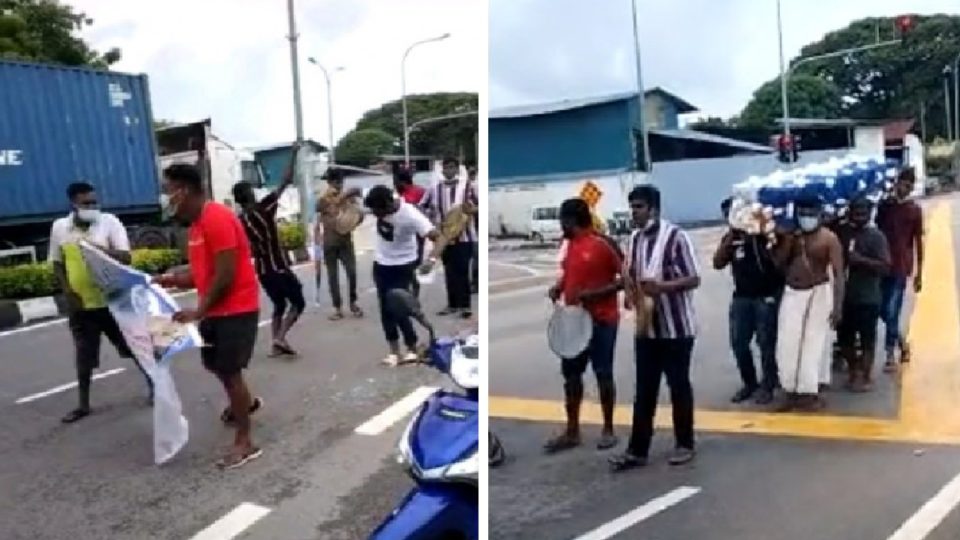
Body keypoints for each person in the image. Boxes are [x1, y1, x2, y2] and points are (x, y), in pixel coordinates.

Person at [155, 163, 263, 469]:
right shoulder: (197, 226)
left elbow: (226, 273)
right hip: (216, 310)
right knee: (214, 364)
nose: (166, 198)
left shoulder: (216, 217)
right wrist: (172, 279)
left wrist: (197, 311)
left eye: (168, 191)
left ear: (183, 190)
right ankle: (247, 404)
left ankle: (245, 441)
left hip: (236, 308)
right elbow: (203, 273)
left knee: (230, 371)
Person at [610, 185, 701, 471]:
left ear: (654, 209)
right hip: (646, 327)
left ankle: (684, 443)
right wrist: (630, 291)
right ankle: (637, 450)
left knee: (678, 387)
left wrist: (662, 288)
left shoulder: (675, 237)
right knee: (645, 390)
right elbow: (630, 274)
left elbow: (693, 278)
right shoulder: (634, 239)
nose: (634, 213)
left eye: (639, 207)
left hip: (675, 329)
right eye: (632, 207)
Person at [49, 182, 153, 423]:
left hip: (113, 301)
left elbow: (126, 257)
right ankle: (83, 404)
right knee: (84, 355)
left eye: (94, 202)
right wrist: (68, 292)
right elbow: (57, 262)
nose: (92, 207)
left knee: (132, 347)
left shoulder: (109, 223)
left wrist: (100, 250)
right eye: (86, 203)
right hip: (82, 306)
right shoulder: (60, 228)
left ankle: (153, 383)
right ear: (73, 204)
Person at [544, 198, 622, 454]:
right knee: (571, 376)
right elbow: (570, 274)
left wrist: (597, 293)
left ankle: (609, 428)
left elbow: (626, 278)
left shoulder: (603, 244)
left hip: (602, 320)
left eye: (562, 221)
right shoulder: (569, 245)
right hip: (573, 321)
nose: (560, 226)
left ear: (571, 220)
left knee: (603, 374)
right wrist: (559, 286)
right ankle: (572, 430)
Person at [771, 193, 844, 412]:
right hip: (793, 293)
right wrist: (786, 240)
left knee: (813, 344)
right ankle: (789, 390)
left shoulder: (829, 239)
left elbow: (839, 274)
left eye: (811, 214)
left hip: (818, 294)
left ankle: (809, 392)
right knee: (787, 343)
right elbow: (779, 263)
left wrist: (838, 307)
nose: (807, 218)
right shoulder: (793, 236)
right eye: (802, 214)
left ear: (820, 215)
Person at [232, 145, 305, 357]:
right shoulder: (264, 209)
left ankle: (275, 346)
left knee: (279, 305)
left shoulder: (240, 221)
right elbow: (285, 180)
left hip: (263, 271)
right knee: (298, 303)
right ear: (251, 194)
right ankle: (279, 338)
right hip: (278, 267)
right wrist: (293, 154)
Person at [713, 197, 784, 405]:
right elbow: (717, 263)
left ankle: (768, 384)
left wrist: (760, 236)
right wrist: (732, 239)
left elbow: (777, 263)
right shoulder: (732, 239)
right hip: (742, 297)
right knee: (738, 343)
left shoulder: (763, 234)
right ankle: (749, 382)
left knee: (766, 343)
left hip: (765, 295)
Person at [363, 185, 443, 366]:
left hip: (403, 265)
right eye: (375, 212)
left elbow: (439, 237)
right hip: (382, 264)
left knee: (399, 308)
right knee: (385, 310)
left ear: (390, 203)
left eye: (380, 211)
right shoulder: (379, 200)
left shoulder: (411, 215)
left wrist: (430, 261)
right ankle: (394, 351)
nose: (378, 216)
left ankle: (412, 347)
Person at [835, 197, 890, 392]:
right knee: (845, 339)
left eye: (863, 213)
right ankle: (853, 371)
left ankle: (866, 376)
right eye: (855, 213)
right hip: (845, 298)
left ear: (869, 214)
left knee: (867, 339)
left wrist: (861, 261)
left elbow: (885, 266)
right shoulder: (843, 233)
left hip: (868, 298)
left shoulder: (877, 237)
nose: (859, 217)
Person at [875, 167, 924, 373]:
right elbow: (875, 228)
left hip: (901, 267)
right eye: (903, 183)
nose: (906, 188)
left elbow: (918, 241)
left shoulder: (914, 210)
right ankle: (902, 342)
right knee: (881, 309)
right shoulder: (885, 206)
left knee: (892, 309)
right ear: (896, 183)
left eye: (910, 185)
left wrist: (919, 272)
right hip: (882, 265)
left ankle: (889, 354)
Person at [420, 157, 477, 319]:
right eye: (447, 167)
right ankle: (452, 304)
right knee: (449, 272)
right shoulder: (434, 189)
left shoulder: (466, 187)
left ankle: (465, 306)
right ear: (442, 170)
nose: (449, 170)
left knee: (462, 272)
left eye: (452, 167)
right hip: (443, 237)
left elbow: (478, 206)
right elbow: (421, 207)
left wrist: (470, 210)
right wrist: (431, 224)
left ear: (457, 170)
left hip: (464, 237)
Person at [317, 167, 364, 320]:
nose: (339, 185)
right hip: (330, 241)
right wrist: (346, 195)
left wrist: (357, 216)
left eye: (340, 182)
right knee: (333, 276)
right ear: (330, 182)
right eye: (336, 182)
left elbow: (357, 213)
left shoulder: (348, 197)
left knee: (352, 272)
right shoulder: (324, 197)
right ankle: (337, 308)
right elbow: (325, 206)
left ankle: (353, 302)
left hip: (345, 239)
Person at [394, 168, 427, 298]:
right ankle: (408, 292)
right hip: (403, 235)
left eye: (396, 181)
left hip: (416, 234)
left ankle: (414, 293)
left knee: (413, 264)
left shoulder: (418, 192)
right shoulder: (399, 194)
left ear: (403, 181)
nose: (395, 184)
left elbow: (425, 209)